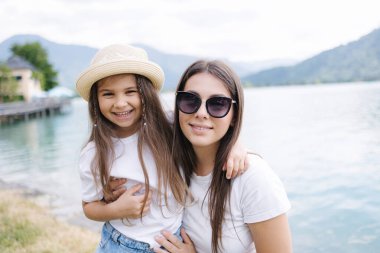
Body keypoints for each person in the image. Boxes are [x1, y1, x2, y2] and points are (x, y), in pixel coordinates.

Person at [76, 44, 248, 253]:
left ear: (146, 93)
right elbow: (89, 207)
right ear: (96, 99)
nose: (121, 103)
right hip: (122, 244)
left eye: (130, 92)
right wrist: (115, 209)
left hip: (171, 242)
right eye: (108, 94)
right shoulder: (95, 153)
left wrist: (236, 145)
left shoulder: (168, 126)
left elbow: (209, 130)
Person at [153, 60, 292, 253]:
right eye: (190, 100)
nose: (201, 113)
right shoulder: (173, 158)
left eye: (218, 104)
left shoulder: (254, 178)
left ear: (234, 115)